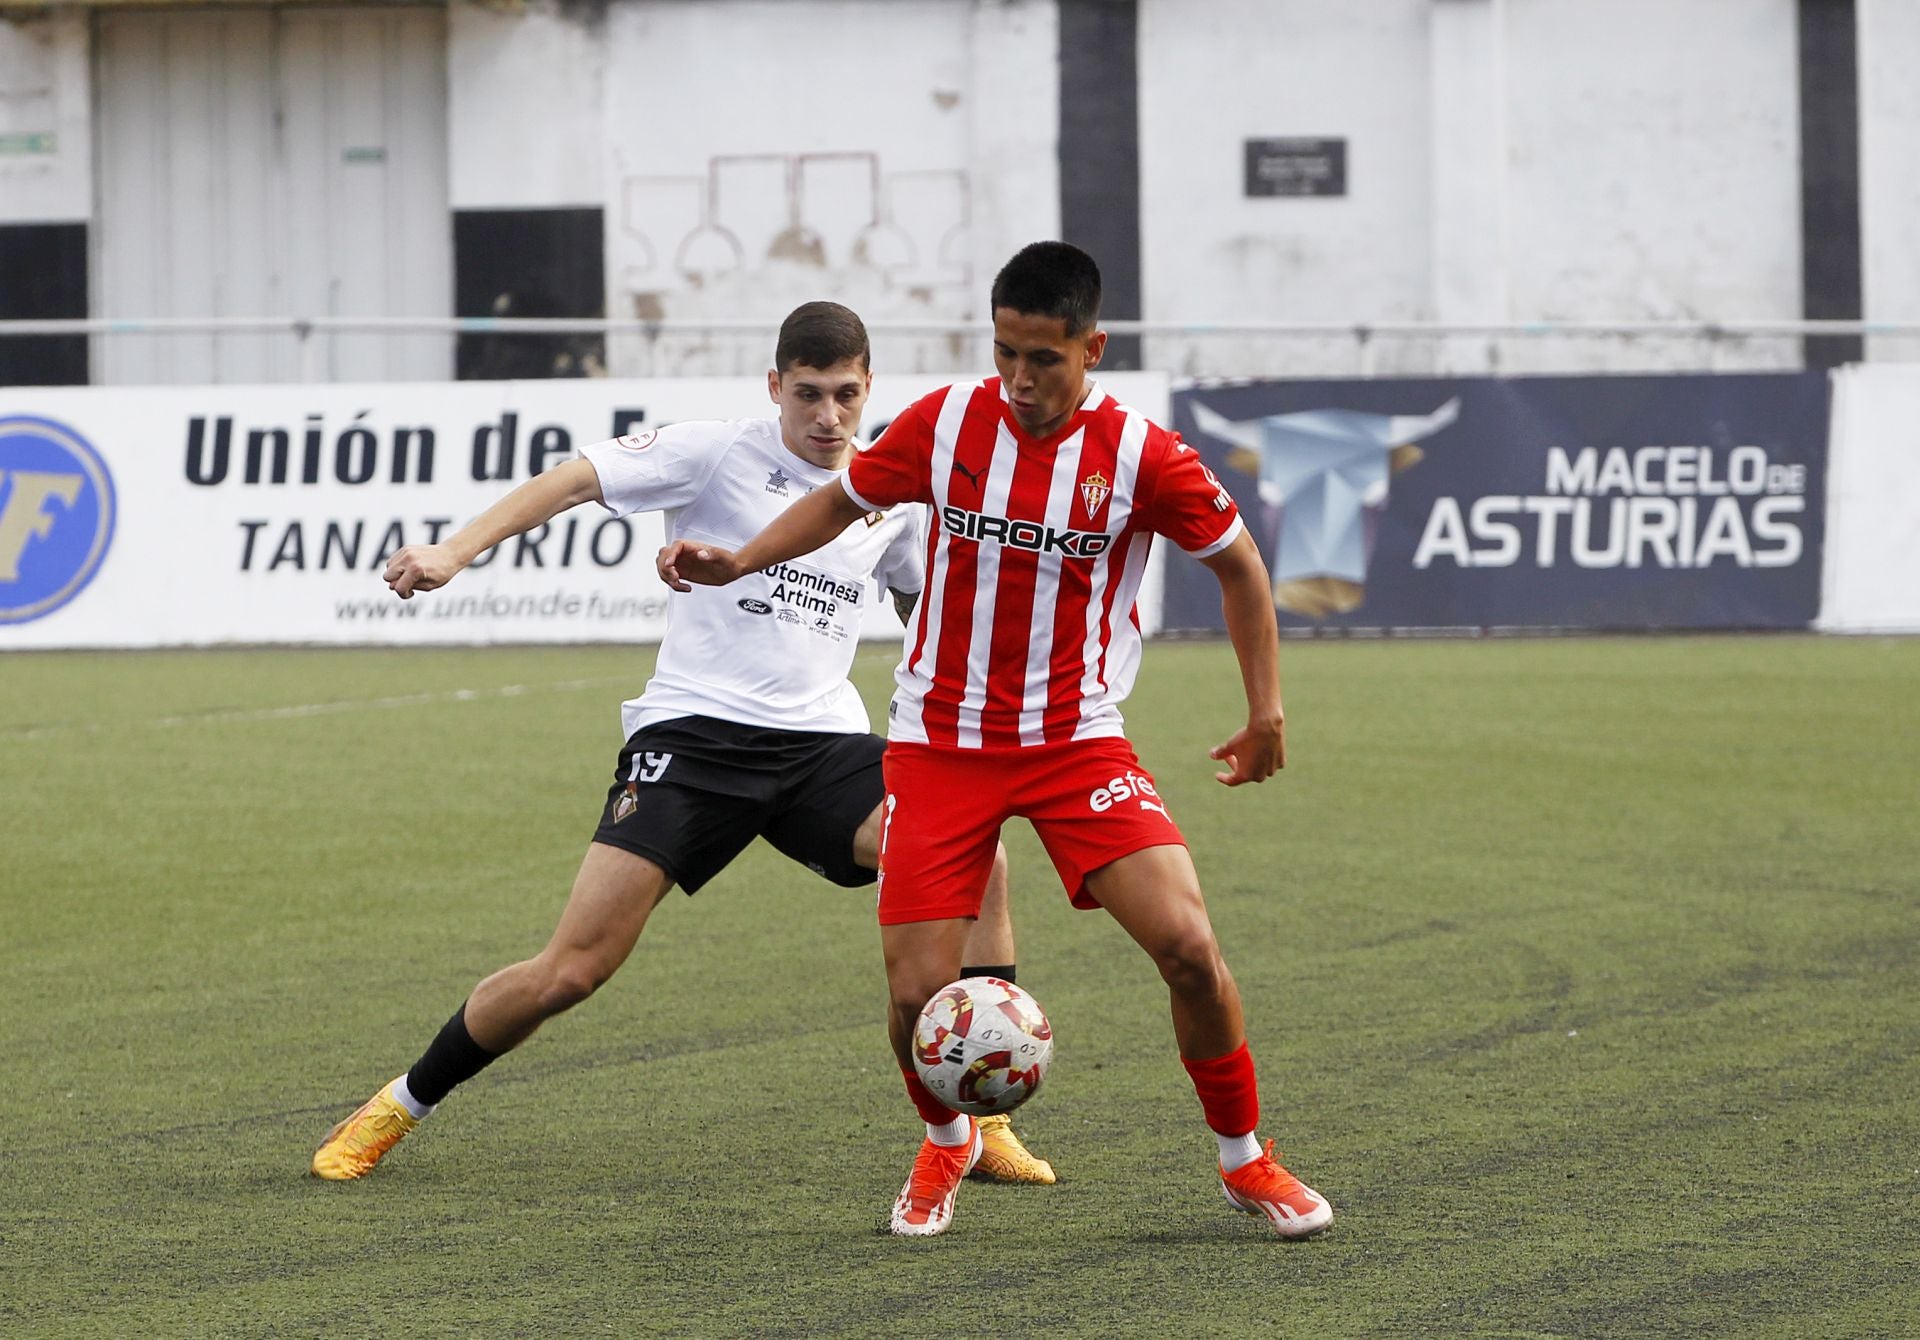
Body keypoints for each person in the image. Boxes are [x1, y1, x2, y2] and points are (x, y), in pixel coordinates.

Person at [657, 244, 1333, 1239]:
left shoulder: (1144, 456)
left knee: (1190, 947)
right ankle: (945, 1140)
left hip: (1077, 742)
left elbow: (1239, 565)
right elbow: (842, 500)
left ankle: (1246, 1160)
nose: (1020, 379)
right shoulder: (944, 425)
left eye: (1044, 359)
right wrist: (742, 556)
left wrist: (1266, 709)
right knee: (914, 991)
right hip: (940, 742)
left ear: (1091, 346)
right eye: (1006, 352)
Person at [311, 301, 1054, 1186]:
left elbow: (919, 605)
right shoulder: (716, 450)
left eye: (846, 396)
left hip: (821, 747)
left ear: (867, 390)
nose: (827, 417)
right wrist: (455, 549)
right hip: (694, 742)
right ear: (775, 386)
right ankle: (399, 1104)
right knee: (573, 970)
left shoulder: (884, 492)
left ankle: (984, 1115)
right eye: (808, 395)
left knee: (979, 852)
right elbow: (575, 478)